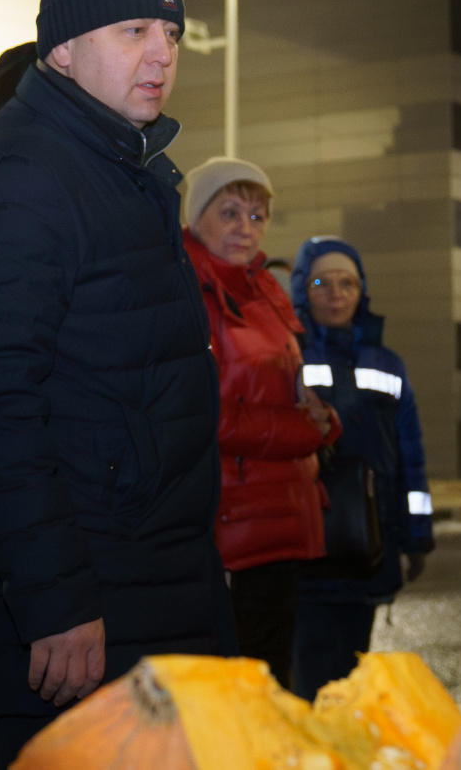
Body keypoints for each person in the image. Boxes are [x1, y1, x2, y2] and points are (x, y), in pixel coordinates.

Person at [0, 0, 235, 768]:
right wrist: (55, 597)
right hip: (88, 605)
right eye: (133, 30)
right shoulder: (20, 175)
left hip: (153, 583)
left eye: (171, 35)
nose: (161, 54)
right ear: (63, 46)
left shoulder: (125, 170)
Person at [181, 157, 338, 687]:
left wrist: (322, 418)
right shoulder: (189, 295)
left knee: (272, 688)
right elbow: (202, 413)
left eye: (257, 215)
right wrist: (302, 432)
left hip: (280, 517)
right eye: (229, 213)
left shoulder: (262, 289)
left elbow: (285, 386)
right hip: (234, 526)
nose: (246, 228)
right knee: (240, 697)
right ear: (194, 218)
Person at [287, 236, 434, 699]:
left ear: (361, 291)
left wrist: (417, 536)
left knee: (353, 675)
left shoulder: (389, 365)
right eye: (321, 282)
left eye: (347, 283)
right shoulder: (286, 356)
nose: (335, 293)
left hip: (369, 541)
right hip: (306, 545)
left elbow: (410, 452)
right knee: (309, 678)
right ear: (301, 291)